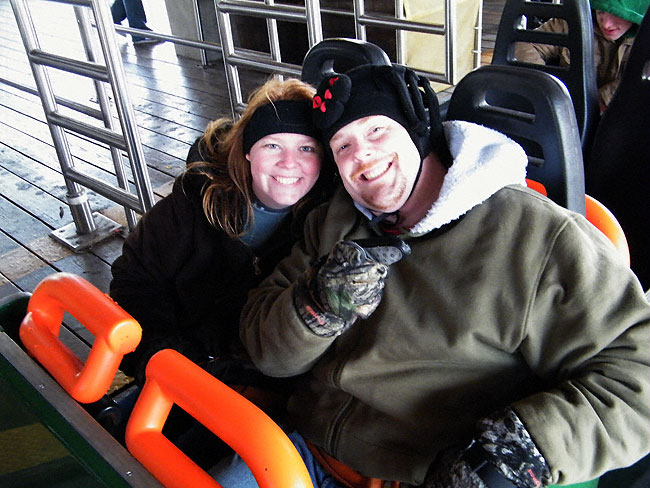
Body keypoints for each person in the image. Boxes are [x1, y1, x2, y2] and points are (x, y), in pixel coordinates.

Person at [211, 64, 650, 487]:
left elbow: (637, 377)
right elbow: (266, 349)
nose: (360, 153)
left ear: (419, 132)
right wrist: (316, 305)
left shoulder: (539, 236)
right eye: (341, 146)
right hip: (297, 453)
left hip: (422, 473)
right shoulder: (332, 222)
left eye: (377, 130)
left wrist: (517, 453)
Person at [110, 77, 334, 410]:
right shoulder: (193, 202)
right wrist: (162, 360)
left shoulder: (326, 225)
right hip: (177, 372)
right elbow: (135, 284)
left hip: (266, 392)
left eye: (306, 148)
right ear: (247, 152)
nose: (289, 163)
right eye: (273, 145)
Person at [514, 0, 650, 111]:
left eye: (616, 14)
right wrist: (548, 90)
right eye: (600, 10)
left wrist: (602, 100)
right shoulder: (574, 20)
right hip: (564, 111)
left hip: (621, 121)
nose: (606, 23)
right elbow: (526, 45)